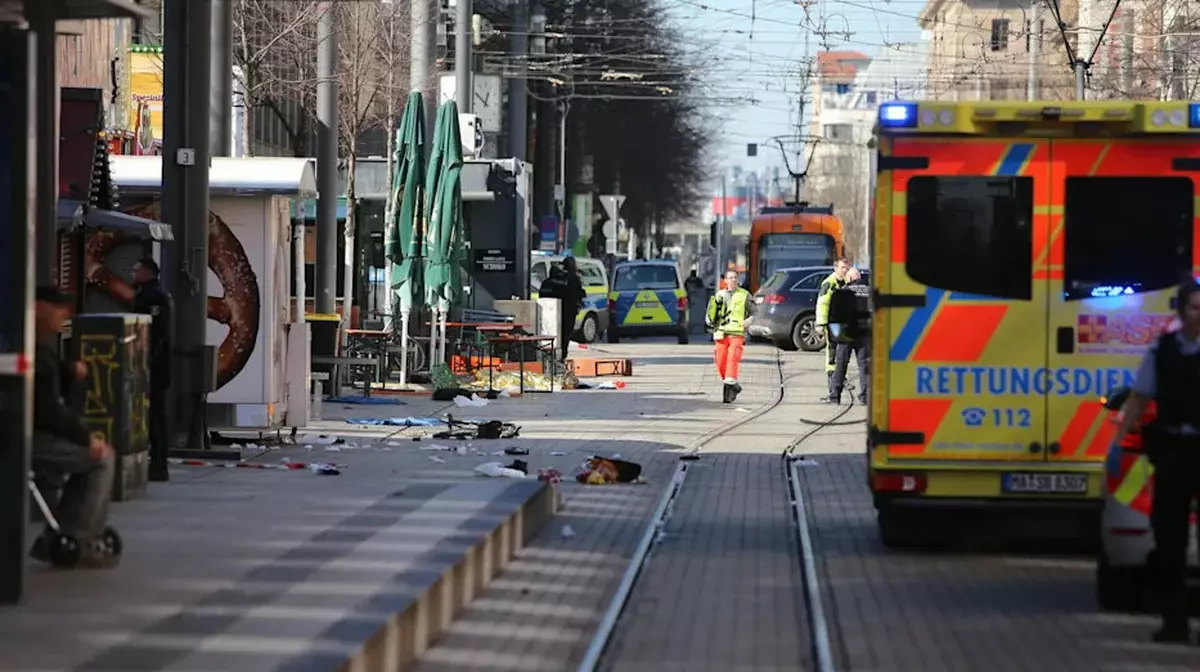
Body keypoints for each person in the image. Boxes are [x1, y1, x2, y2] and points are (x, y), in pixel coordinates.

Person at [1114, 278, 1200, 644]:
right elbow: (1139, 397)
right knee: (1169, 541)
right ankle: (1174, 623)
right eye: (1195, 307)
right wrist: (1119, 442)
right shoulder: (1162, 350)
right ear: (1181, 311)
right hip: (1175, 450)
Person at [29, 286, 119, 568]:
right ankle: (81, 538)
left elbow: (45, 369)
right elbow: (48, 411)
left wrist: (68, 369)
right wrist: (86, 438)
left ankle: (61, 531)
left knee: (90, 458)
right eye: (59, 309)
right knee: (102, 459)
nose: (64, 316)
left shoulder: (30, 340)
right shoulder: (33, 342)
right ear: (39, 306)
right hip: (28, 436)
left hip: (25, 431)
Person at [131, 257, 173, 482]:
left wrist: (145, 361)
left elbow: (157, 333)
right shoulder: (148, 294)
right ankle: (155, 463)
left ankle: (159, 464)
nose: (132, 273)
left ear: (147, 272)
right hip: (154, 364)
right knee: (153, 415)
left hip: (155, 366)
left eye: (136, 270)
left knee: (156, 416)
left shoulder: (154, 296)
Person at [706, 269, 753, 403]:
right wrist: (709, 321)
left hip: (737, 333)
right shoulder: (719, 295)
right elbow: (711, 311)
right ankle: (734, 386)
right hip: (720, 333)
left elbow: (755, 312)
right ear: (725, 281)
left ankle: (730, 390)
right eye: (730, 278)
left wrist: (749, 321)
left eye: (735, 278)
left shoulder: (745, 295)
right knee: (720, 362)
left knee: (732, 359)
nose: (733, 280)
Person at [826, 267, 870, 405]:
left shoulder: (842, 292)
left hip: (846, 333)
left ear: (850, 278)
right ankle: (866, 396)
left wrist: (833, 339)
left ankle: (835, 395)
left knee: (841, 364)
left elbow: (833, 316)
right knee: (864, 365)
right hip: (865, 333)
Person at [815, 257, 853, 402]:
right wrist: (821, 323)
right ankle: (833, 385)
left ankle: (838, 382)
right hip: (832, 324)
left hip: (843, 323)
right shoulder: (829, 283)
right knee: (833, 352)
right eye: (843, 267)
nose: (845, 270)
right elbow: (822, 304)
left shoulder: (846, 283)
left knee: (841, 353)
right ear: (835, 268)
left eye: (847, 268)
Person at [542, 257, 586, 361]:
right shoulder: (572, 279)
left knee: (553, 335)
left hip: (551, 313)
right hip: (568, 312)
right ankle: (561, 356)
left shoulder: (549, 282)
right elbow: (577, 295)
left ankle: (553, 356)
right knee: (565, 335)